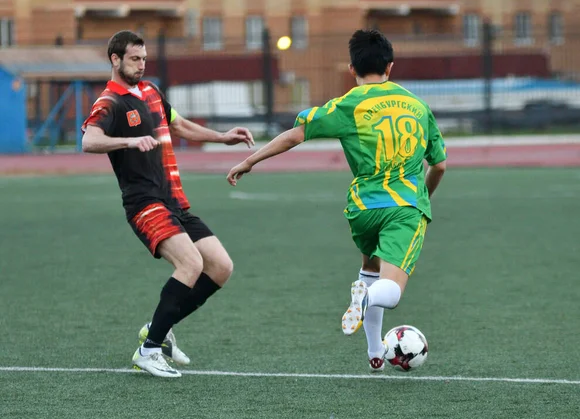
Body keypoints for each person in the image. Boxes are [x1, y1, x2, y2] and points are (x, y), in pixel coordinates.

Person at [226, 29, 447, 372]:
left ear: (351, 68)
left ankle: (375, 352)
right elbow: (440, 164)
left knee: (370, 271)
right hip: (403, 208)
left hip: (361, 210)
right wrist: (422, 199)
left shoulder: (348, 105)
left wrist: (249, 160)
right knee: (390, 290)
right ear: (390, 66)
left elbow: (295, 134)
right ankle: (365, 299)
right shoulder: (418, 106)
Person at [82, 30, 254, 378]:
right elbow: (89, 140)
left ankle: (156, 328)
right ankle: (148, 350)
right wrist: (127, 144)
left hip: (175, 201)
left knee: (220, 267)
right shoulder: (109, 102)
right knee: (190, 264)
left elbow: (179, 125)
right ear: (115, 60)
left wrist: (221, 137)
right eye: (134, 59)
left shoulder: (151, 91)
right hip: (144, 203)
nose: (141, 65)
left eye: (144, 59)